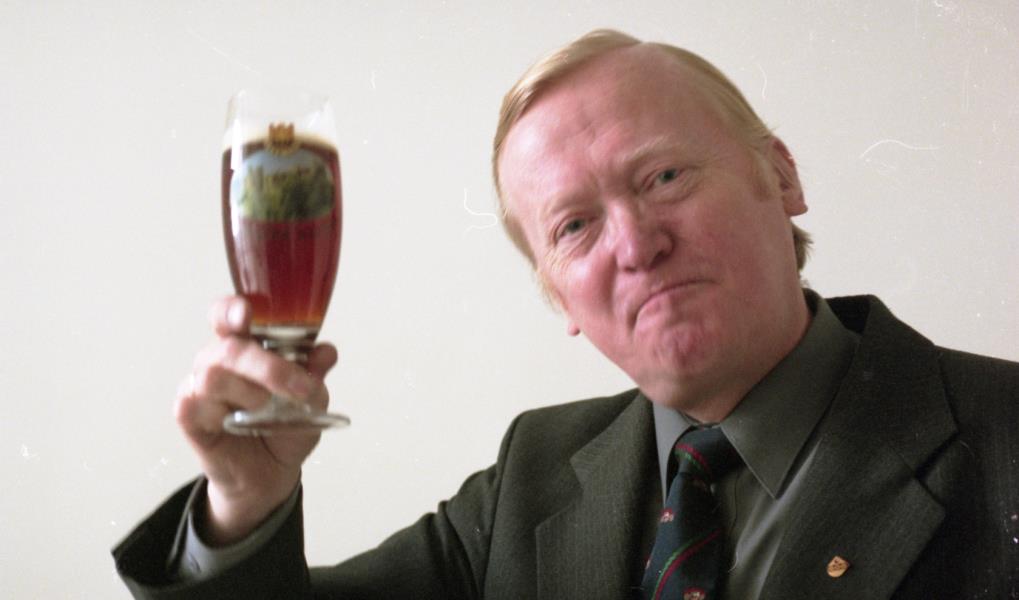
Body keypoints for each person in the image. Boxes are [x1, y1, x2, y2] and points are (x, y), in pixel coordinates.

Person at [113, 29, 1019, 599]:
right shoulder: (531, 478)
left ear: (779, 176)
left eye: (664, 176)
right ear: (558, 296)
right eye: (574, 226)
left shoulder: (1002, 437)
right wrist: (246, 504)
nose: (635, 244)